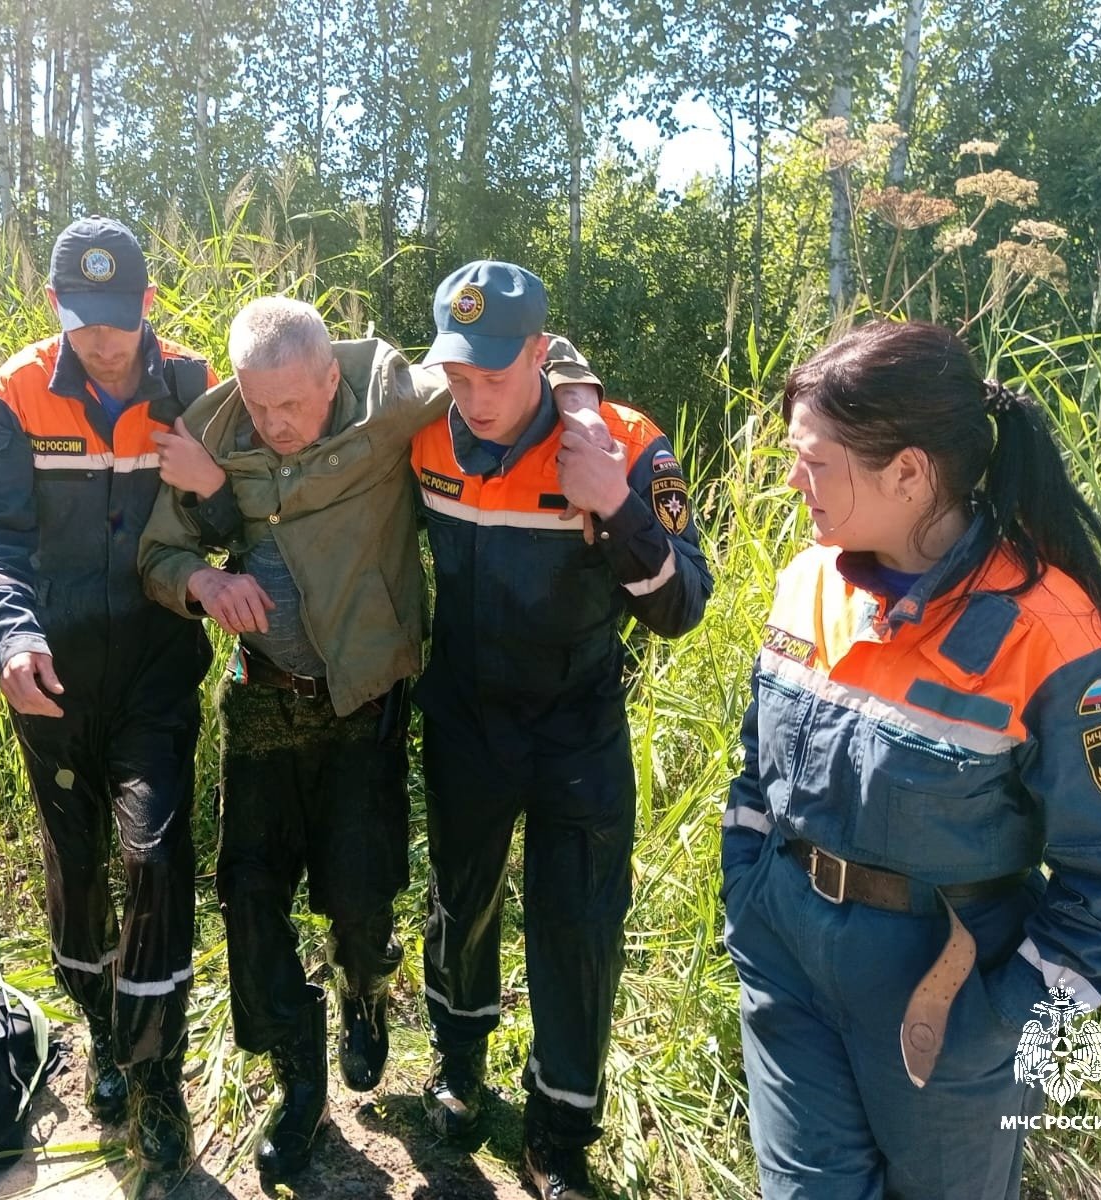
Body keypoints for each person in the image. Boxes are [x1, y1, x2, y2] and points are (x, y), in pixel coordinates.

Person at [139, 296, 602, 1181]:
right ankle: (298, 1077)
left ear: (329, 375)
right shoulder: (213, 428)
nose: (273, 425)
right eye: (258, 403)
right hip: (262, 697)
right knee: (247, 894)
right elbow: (157, 557)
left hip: (364, 700)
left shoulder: (395, 396)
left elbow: (529, 349)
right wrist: (200, 581)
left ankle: (365, 988)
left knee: (360, 894)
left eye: (292, 405)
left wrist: (576, 404)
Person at [719, 320, 1101, 1198]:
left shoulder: (1055, 639)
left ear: (910, 471)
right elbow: (756, 769)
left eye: (814, 461)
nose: (792, 481)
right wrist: (749, 895)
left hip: (952, 1004)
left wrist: (998, 1030)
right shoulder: (808, 578)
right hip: (787, 966)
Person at [411, 261, 712, 1200]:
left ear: (541, 353)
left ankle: (558, 1133)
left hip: (577, 727)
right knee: (461, 901)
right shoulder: (421, 431)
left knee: (577, 927)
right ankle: (459, 1070)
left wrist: (617, 508)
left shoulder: (625, 443)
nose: (475, 397)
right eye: (458, 374)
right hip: (464, 716)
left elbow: (684, 605)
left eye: (495, 376)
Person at [0, 215, 217, 1175]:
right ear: (57, 308)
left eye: (119, 318)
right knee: (79, 863)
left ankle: (159, 1072)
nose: (103, 341)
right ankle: (104, 1029)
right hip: (49, 676)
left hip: (153, 672)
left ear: (147, 305)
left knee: (157, 853)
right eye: (83, 318)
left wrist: (211, 483)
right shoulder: (16, 393)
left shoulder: (190, 383)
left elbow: (239, 512)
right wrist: (10, 636)